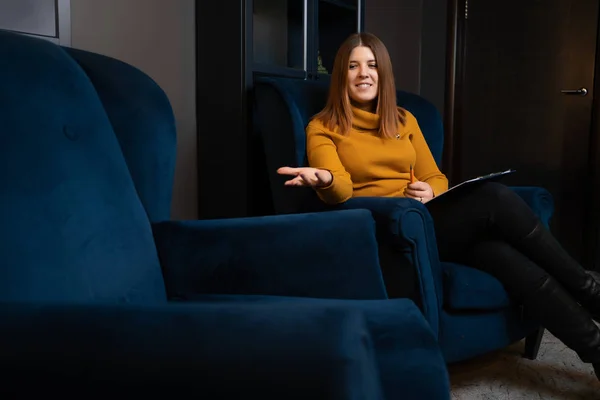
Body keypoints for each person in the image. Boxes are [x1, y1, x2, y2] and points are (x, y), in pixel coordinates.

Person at [277, 32, 600, 379]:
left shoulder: (404, 120)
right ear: (341, 75)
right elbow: (339, 190)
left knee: (504, 257)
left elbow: (436, 176)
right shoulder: (323, 126)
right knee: (494, 198)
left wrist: (429, 192)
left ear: (383, 73)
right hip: (386, 230)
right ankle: (588, 289)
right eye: (353, 66)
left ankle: (595, 350)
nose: (363, 73)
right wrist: (323, 178)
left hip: (425, 221)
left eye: (372, 65)